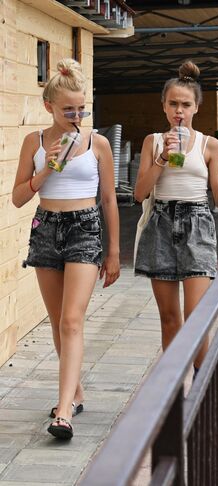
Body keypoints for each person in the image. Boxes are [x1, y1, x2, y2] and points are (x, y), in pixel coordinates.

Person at [12, 58, 121, 440]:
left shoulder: (98, 143)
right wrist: (47, 170)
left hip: (85, 227)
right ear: (50, 108)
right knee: (58, 321)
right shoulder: (35, 142)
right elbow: (18, 198)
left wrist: (114, 252)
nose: (76, 115)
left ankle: (63, 412)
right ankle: (74, 393)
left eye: (81, 108)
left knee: (72, 320)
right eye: (68, 109)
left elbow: (109, 199)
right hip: (46, 227)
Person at [133, 60, 218, 381]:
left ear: (196, 107)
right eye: (173, 104)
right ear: (164, 106)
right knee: (169, 318)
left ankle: (203, 384)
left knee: (195, 317)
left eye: (186, 104)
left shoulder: (210, 145)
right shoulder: (153, 141)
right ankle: (174, 387)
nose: (179, 111)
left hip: (197, 223)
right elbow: (139, 193)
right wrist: (163, 157)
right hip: (161, 223)